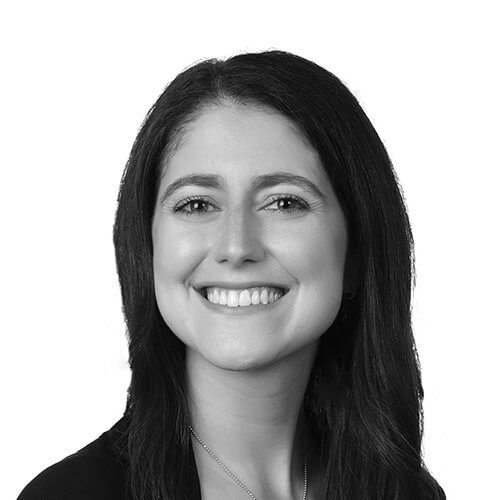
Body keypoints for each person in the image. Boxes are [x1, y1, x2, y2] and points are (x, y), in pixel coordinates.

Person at [17, 50, 446, 500]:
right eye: (197, 205)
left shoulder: (408, 492)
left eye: (284, 203)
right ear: (147, 245)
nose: (237, 247)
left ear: (356, 250)